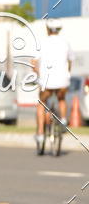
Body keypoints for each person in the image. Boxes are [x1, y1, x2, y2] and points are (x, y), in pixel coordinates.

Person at [33, 18, 71, 147]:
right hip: (62, 81)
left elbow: (33, 62)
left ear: (48, 30)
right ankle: (64, 120)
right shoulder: (65, 43)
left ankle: (40, 134)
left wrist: (38, 75)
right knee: (61, 99)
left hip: (46, 81)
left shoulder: (42, 43)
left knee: (41, 104)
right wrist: (67, 74)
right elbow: (70, 61)